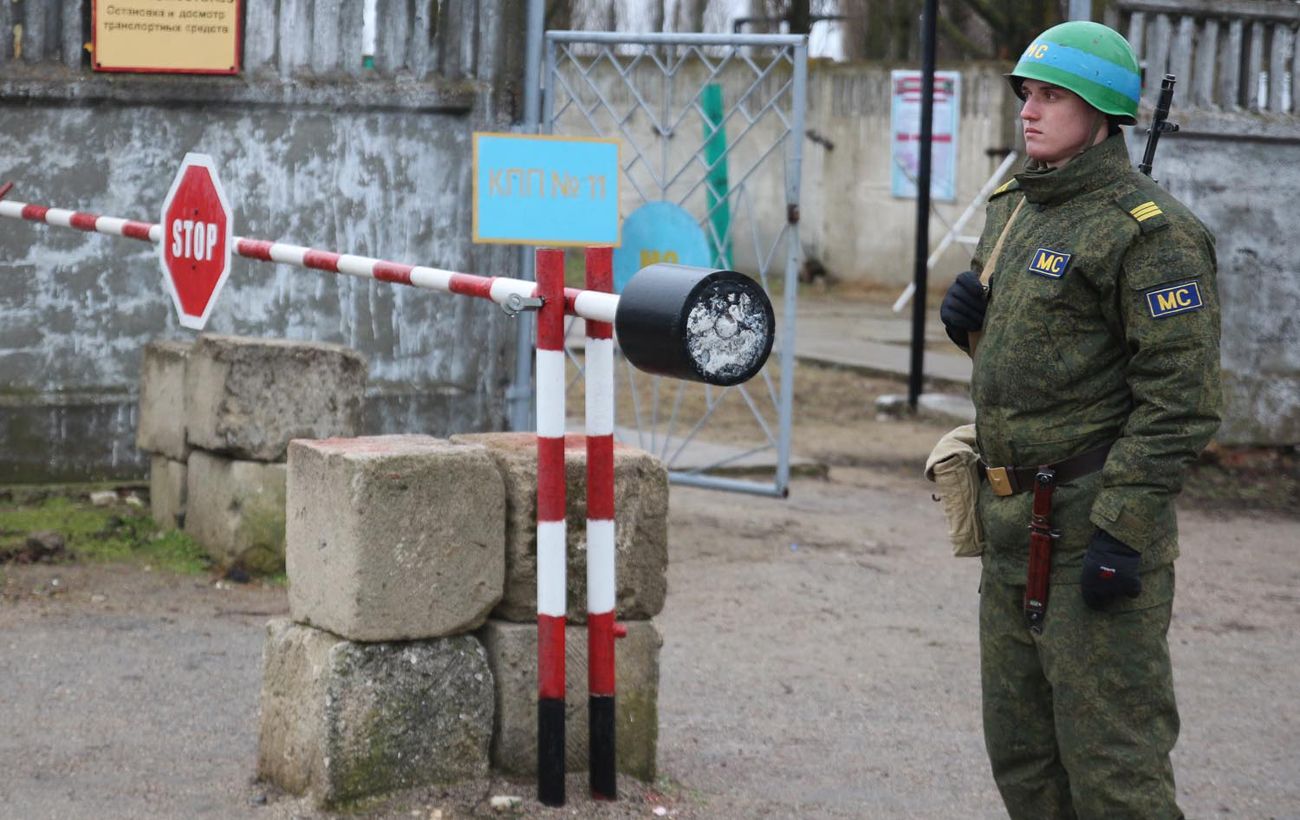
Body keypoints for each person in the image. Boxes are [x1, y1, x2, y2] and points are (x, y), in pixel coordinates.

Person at [938, 20, 1221, 820]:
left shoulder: (1152, 235)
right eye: (1026, 94)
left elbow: (1182, 400)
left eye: (1052, 97)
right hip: (1009, 522)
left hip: (1089, 526)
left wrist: (1122, 530)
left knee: (1113, 771)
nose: (1029, 111)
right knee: (1023, 758)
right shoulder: (1015, 208)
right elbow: (1040, 361)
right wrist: (969, 328)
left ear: (1100, 113)